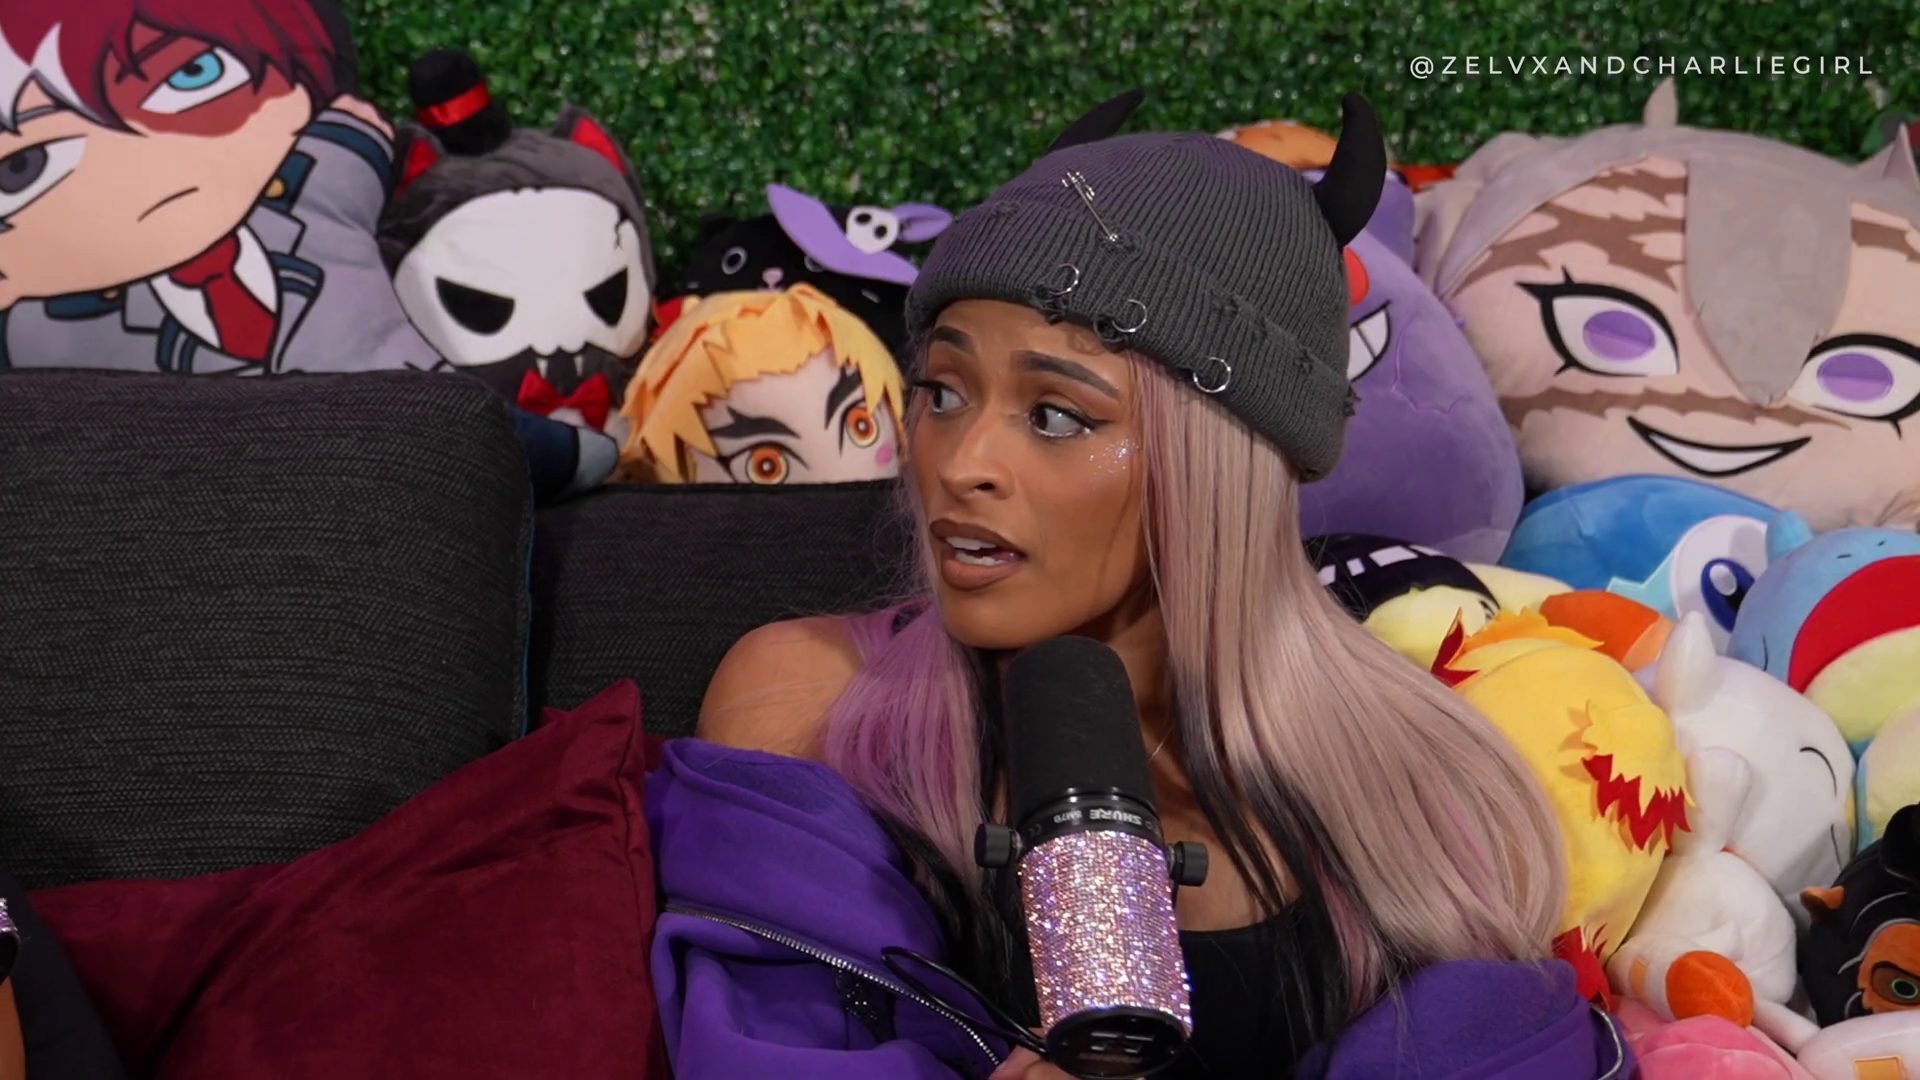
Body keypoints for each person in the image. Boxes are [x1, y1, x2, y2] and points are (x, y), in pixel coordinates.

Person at [648, 92, 1627, 1079]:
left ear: (1220, 462)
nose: (961, 462)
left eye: (1057, 415)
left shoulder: (1424, 786)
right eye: (942, 392)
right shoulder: (809, 701)